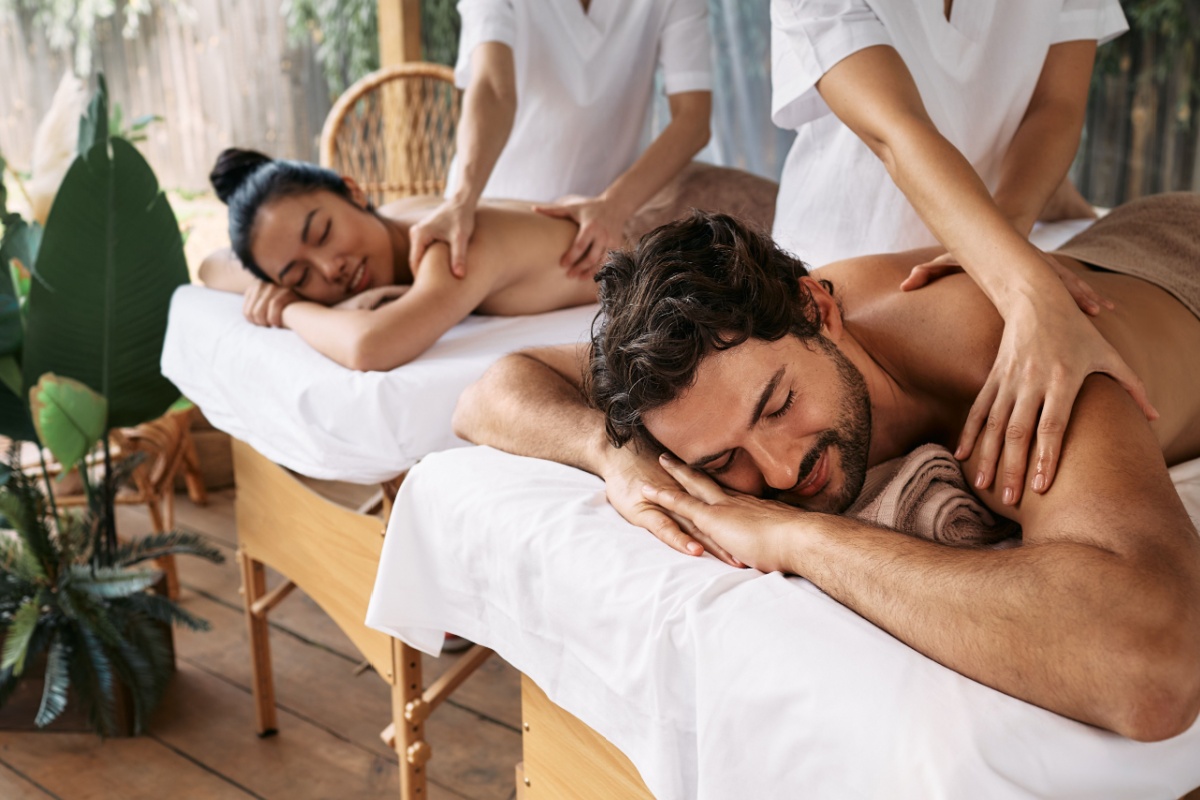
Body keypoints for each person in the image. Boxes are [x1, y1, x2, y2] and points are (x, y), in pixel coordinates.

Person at [453, 195, 1200, 740]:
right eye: (723, 461)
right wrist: (615, 456)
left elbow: (1155, 668)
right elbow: (494, 389)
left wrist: (796, 541)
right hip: (1119, 241)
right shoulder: (706, 368)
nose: (779, 475)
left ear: (817, 308)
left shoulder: (1004, 353)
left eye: (777, 406)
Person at [769, 0, 1154, 514]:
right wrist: (1023, 289)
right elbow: (895, 130)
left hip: (986, 254)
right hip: (842, 286)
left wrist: (1004, 246)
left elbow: (1055, 107)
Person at [199, 148, 597, 371]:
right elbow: (212, 266)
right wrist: (271, 284)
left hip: (654, 277)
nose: (329, 268)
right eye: (300, 275)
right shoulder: (396, 216)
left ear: (353, 192)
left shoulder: (449, 244)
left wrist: (289, 306)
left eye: (322, 234)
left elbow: (370, 346)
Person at [408, 0, 713, 281]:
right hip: (482, 215)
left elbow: (693, 118)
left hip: (590, 236)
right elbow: (492, 89)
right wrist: (462, 199)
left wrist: (614, 205)